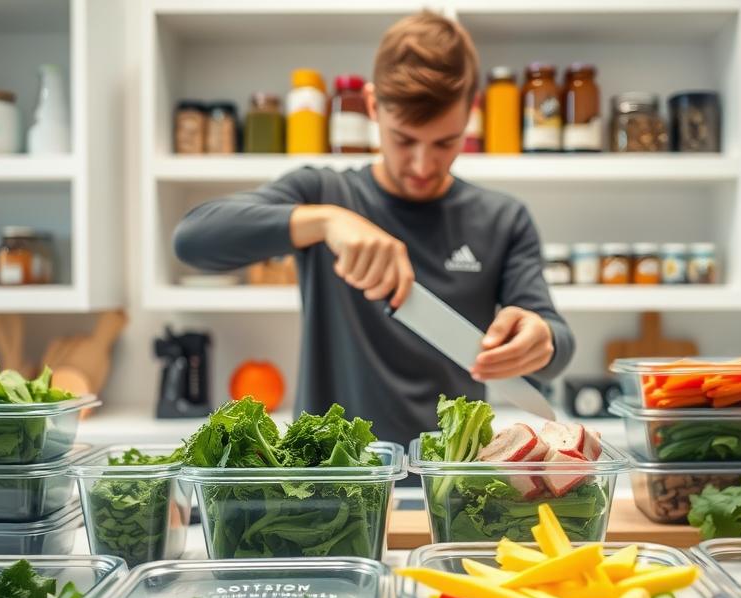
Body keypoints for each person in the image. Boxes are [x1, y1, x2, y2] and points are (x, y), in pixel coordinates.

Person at [173, 11, 574, 447]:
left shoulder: (503, 218)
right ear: (371, 106)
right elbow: (193, 238)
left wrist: (541, 338)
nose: (423, 166)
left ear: (471, 112)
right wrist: (326, 220)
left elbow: (557, 343)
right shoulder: (324, 191)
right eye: (404, 139)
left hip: (448, 484)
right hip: (332, 488)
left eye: (445, 142)